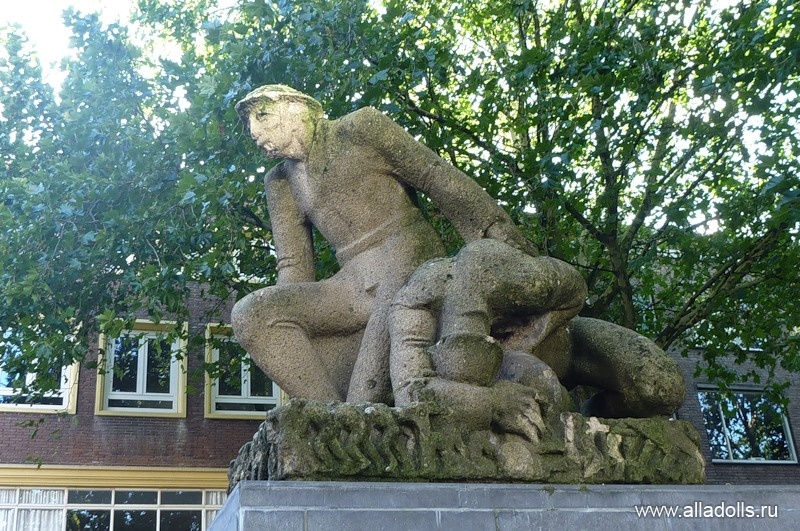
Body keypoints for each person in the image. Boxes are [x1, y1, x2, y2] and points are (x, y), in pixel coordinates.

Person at [231, 85, 578, 405]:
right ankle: (327, 416)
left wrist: (496, 234)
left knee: (365, 394)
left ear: (297, 107)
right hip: (351, 282)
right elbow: (293, 266)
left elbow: (435, 176)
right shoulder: (280, 182)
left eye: (263, 116)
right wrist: (293, 315)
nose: (254, 132)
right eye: (249, 125)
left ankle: (352, 419)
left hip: (406, 257)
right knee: (252, 314)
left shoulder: (359, 128)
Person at [389, 238, 686, 424]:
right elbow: (412, 391)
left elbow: (574, 291)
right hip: (520, 373)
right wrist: (492, 402)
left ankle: (595, 417)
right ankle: (590, 421)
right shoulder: (418, 300)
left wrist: (533, 329)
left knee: (661, 389)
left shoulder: (506, 275)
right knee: (542, 388)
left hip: (568, 340)